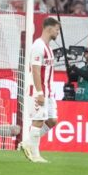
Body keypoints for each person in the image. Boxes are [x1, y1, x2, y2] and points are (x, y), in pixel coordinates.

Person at [21, 16, 61, 163]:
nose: (58, 33)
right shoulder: (38, 46)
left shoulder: (48, 48)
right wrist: (39, 92)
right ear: (49, 28)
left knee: (52, 120)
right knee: (38, 120)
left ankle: (27, 143)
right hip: (40, 91)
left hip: (49, 92)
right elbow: (36, 71)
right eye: (57, 29)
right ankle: (35, 155)